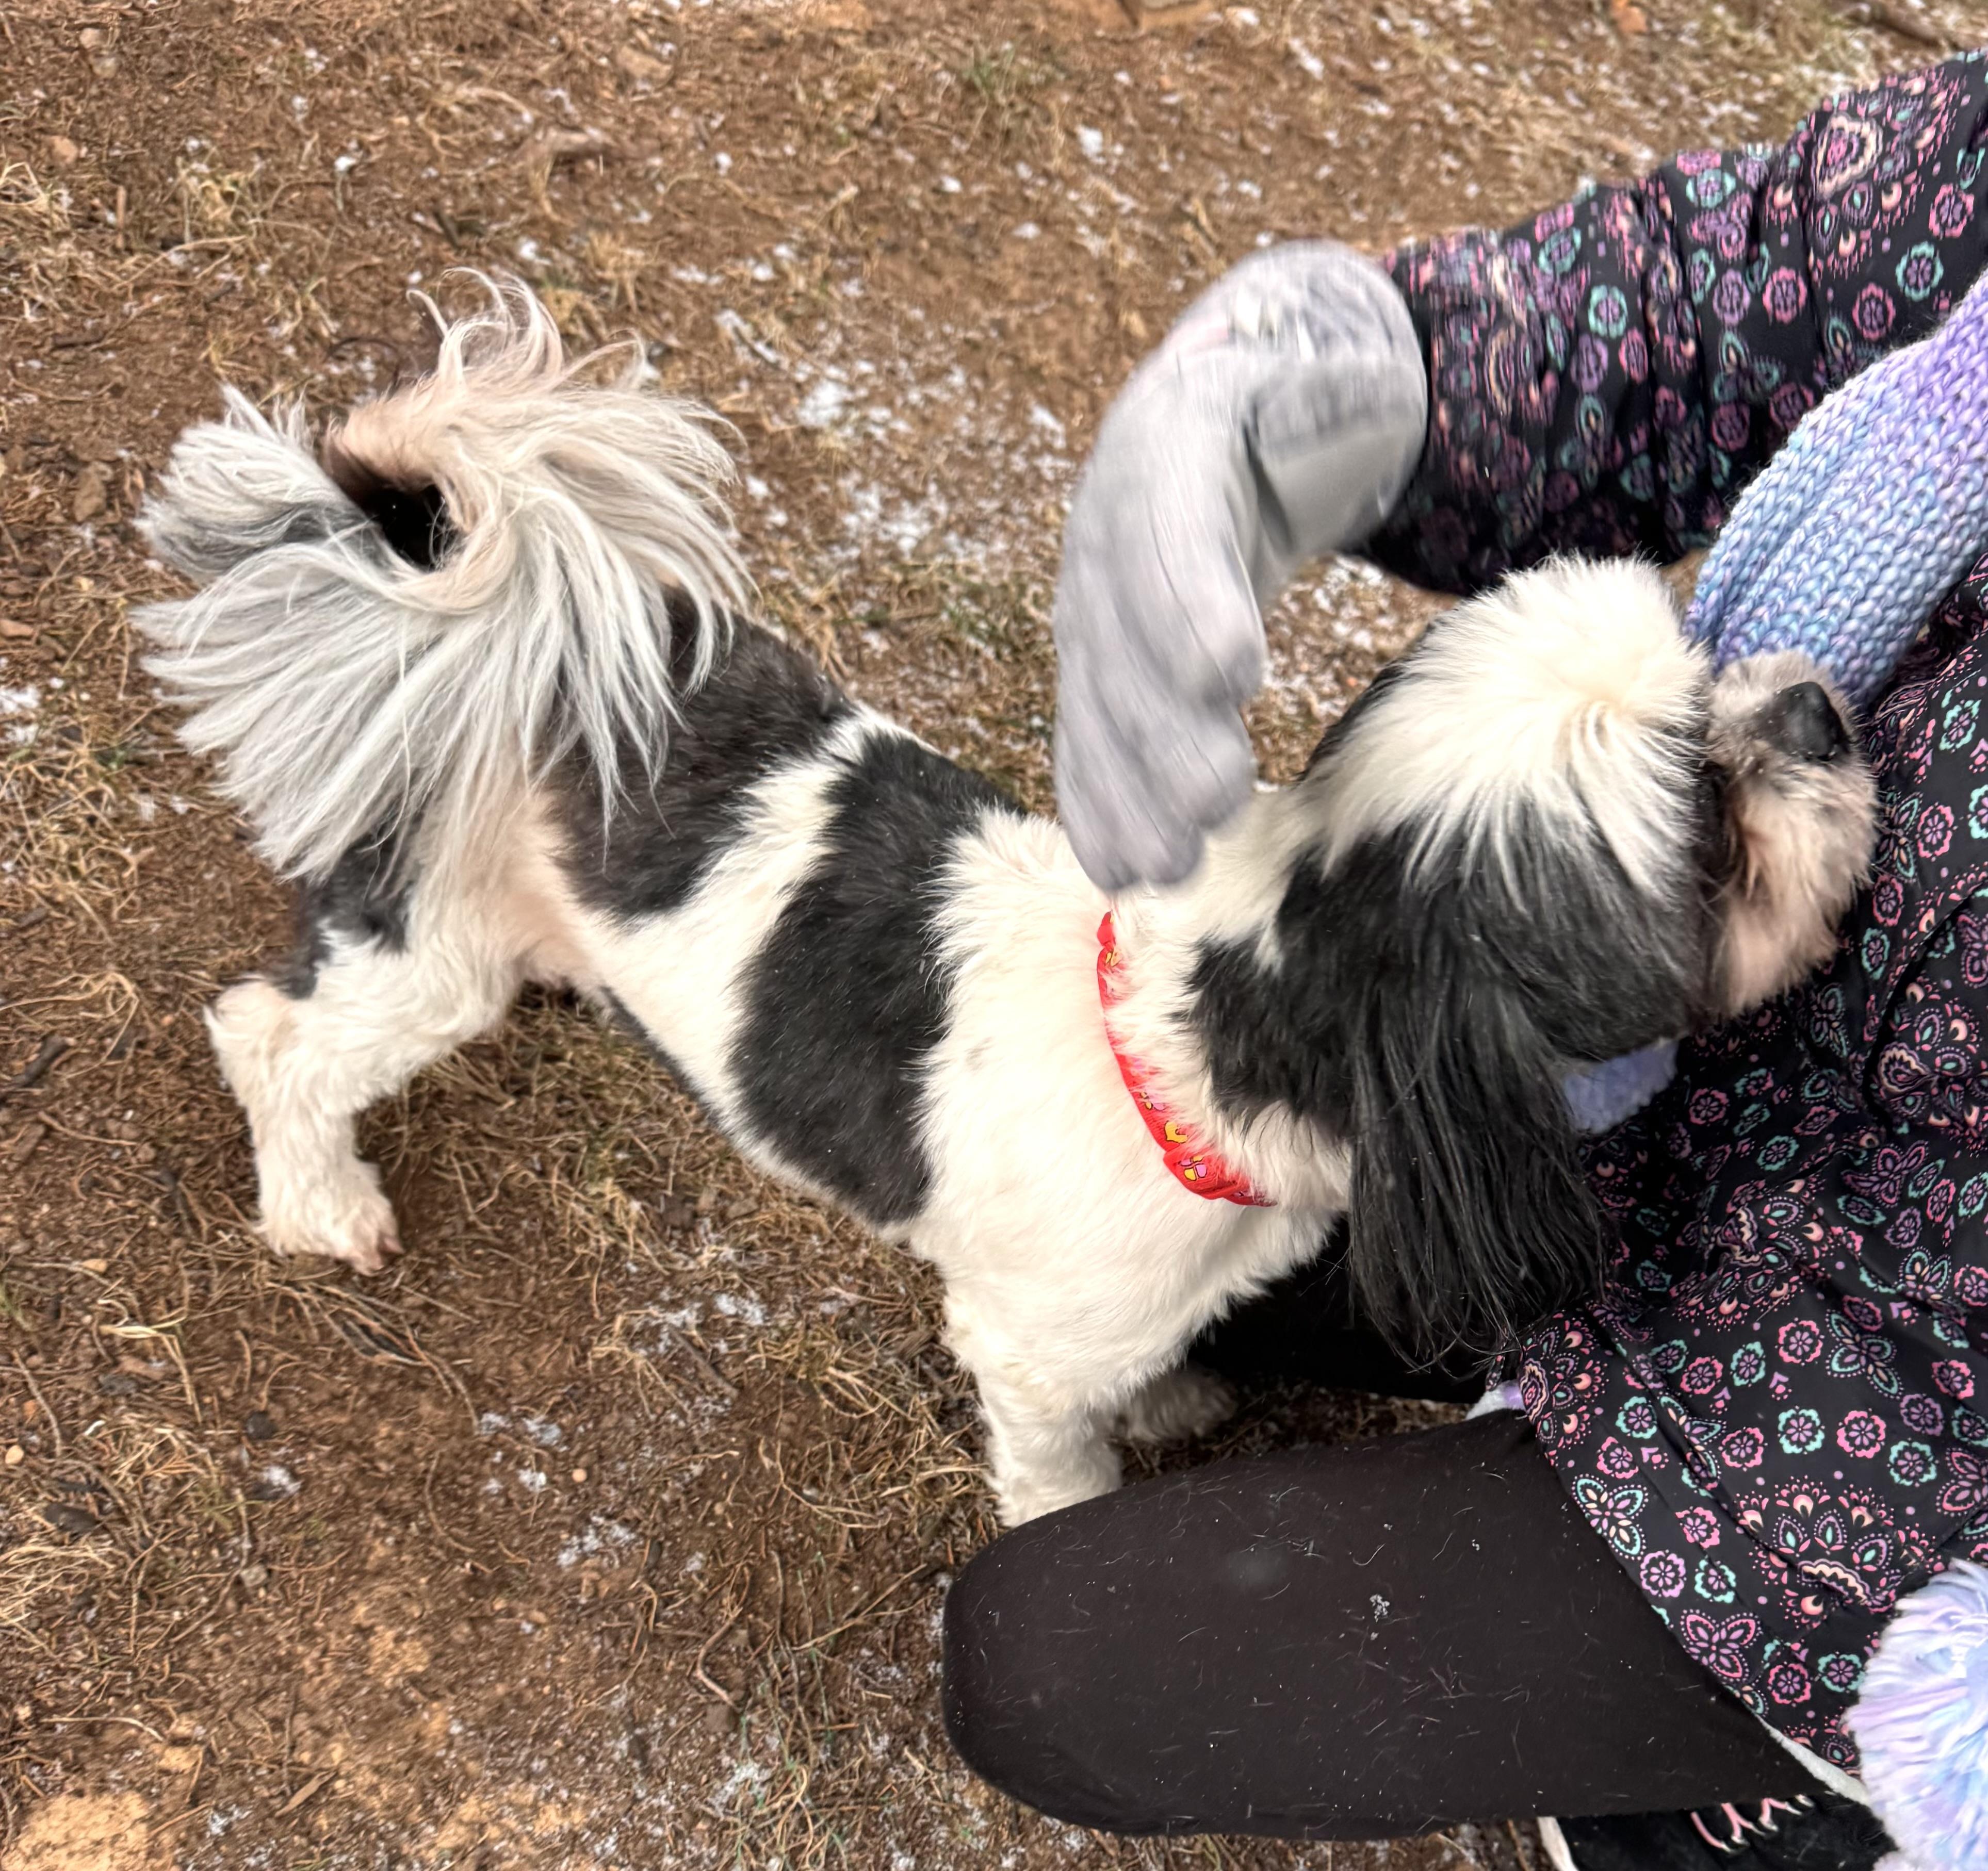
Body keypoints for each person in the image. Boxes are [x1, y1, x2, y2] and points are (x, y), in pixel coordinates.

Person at [941, 51, 1988, 1871]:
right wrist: (1355, 387)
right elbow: (1755, 277)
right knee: (1153, 1246)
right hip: (1659, 1119)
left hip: (1899, 1444)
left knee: (1053, 1657)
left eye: (1719, 832)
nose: (1788, 714)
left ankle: (1816, 1780)